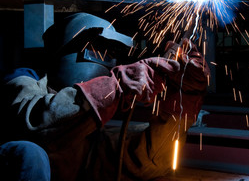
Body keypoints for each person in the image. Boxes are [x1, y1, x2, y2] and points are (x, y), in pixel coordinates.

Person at [0, 12, 210, 181]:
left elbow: (151, 159)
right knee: (28, 153)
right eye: (98, 50)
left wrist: (183, 95)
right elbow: (37, 126)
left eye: (109, 54)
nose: (104, 60)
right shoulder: (23, 81)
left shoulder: (88, 134)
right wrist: (118, 84)